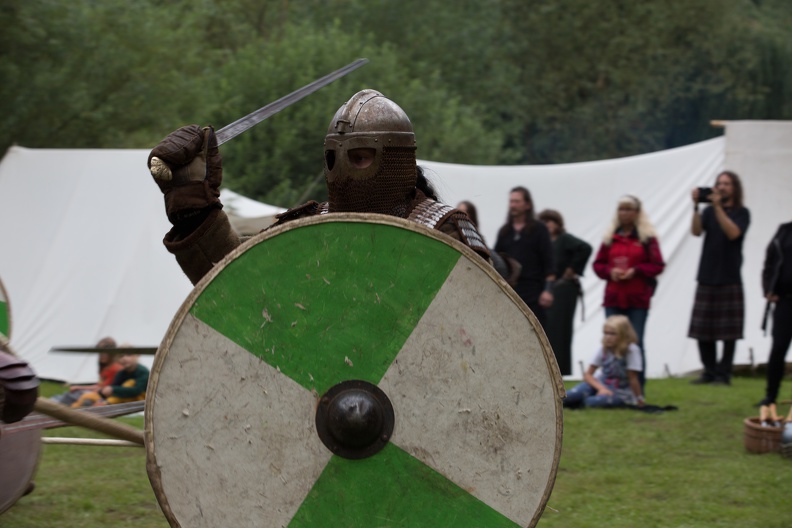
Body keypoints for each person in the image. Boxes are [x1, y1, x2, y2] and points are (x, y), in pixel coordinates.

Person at [147, 89, 499, 286]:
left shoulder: (442, 231)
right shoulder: (310, 228)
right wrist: (193, 204)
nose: (344, 173)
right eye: (334, 158)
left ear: (395, 161)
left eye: (360, 158)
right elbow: (240, 284)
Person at [592, 195, 664, 389]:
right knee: (611, 342)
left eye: (628, 209)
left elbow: (658, 265)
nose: (624, 213)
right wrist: (610, 272)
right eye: (621, 209)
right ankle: (612, 385)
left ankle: (637, 388)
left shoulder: (647, 238)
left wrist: (637, 270)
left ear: (637, 213)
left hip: (637, 299)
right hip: (614, 297)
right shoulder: (610, 238)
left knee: (635, 344)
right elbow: (598, 265)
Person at [688, 171, 750, 385]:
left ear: (735, 188)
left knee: (729, 332)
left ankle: (724, 374)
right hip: (706, 275)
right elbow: (696, 231)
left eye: (727, 184)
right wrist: (696, 207)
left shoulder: (742, 213)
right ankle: (709, 371)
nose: (722, 187)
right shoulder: (707, 212)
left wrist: (717, 208)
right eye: (719, 183)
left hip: (730, 276)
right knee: (703, 330)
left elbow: (733, 233)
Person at [538, 209, 592, 376]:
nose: (547, 225)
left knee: (559, 331)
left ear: (557, 224)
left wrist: (572, 268)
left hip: (564, 290)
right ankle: (546, 370)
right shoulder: (543, 243)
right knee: (546, 330)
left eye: (550, 221)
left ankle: (559, 371)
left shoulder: (564, 239)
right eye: (544, 222)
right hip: (548, 290)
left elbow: (585, 248)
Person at [494, 187, 555, 326]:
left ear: (527, 205)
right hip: (511, 293)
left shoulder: (539, 230)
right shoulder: (505, 232)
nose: (513, 205)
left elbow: (549, 263)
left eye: (517, 201)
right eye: (511, 201)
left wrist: (548, 290)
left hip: (534, 293)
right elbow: (497, 262)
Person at [563, 315, 645, 409]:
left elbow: (633, 378)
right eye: (606, 333)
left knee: (591, 402)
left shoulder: (631, 350)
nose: (608, 337)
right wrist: (601, 389)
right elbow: (588, 375)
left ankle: (580, 403)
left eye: (613, 334)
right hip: (599, 385)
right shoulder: (604, 349)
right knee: (568, 396)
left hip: (619, 393)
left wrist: (639, 399)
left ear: (623, 334)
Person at [757, 220, 792, 406]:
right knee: (778, 348)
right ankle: (770, 397)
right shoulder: (785, 230)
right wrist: (768, 287)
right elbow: (770, 260)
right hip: (785, 300)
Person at [50, 336, 120, 406]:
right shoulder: (105, 367)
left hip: (102, 398)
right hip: (98, 394)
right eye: (100, 352)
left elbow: (103, 390)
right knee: (71, 394)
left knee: (76, 396)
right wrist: (79, 387)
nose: (102, 355)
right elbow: (99, 385)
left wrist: (81, 389)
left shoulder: (114, 368)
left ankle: (56, 405)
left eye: (105, 353)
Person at [71, 351, 148, 407]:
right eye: (121, 356)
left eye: (129, 354)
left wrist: (111, 390)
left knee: (130, 383)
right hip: (113, 397)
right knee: (85, 396)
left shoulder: (142, 371)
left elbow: (137, 391)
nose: (125, 358)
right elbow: (108, 388)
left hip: (136, 400)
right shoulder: (120, 372)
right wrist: (103, 392)